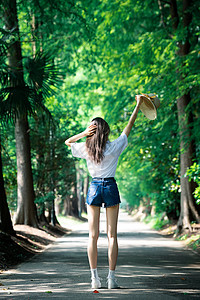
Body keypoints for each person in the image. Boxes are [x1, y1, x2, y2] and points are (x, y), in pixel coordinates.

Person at [65, 95, 144, 289]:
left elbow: (68, 142)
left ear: (92, 132)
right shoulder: (114, 146)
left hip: (93, 188)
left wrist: (84, 133)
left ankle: (94, 279)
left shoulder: (86, 148)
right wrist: (138, 105)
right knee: (112, 236)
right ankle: (111, 279)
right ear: (107, 131)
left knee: (92, 236)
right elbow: (129, 125)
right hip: (109, 187)